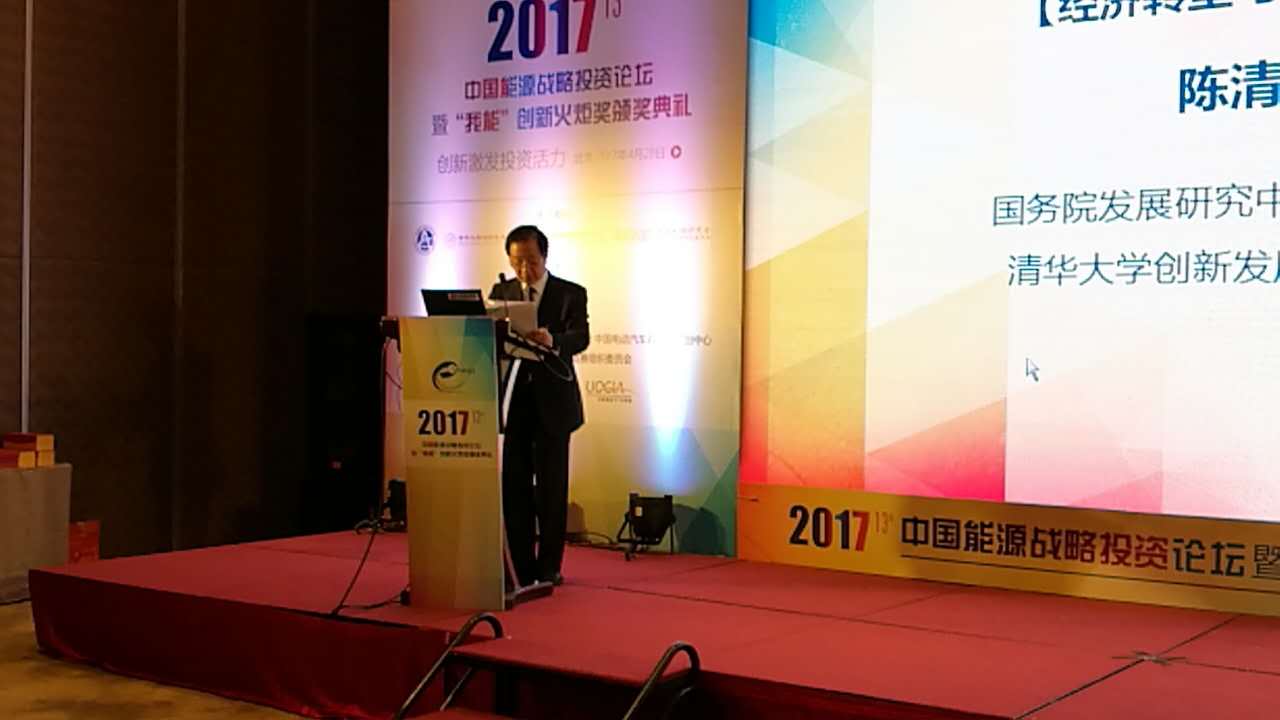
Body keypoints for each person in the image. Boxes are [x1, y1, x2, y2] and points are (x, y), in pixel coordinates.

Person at [489, 225, 589, 587]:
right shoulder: (501, 293)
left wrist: (553, 339)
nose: (524, 269)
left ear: (544, 256)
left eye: (531, 260)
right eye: (517, 261)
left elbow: (581, 337)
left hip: (553, 403)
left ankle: (549, 567)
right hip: (514, 401)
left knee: (551, 489)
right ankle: (521, 566)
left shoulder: (569, 293)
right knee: (514, 486)